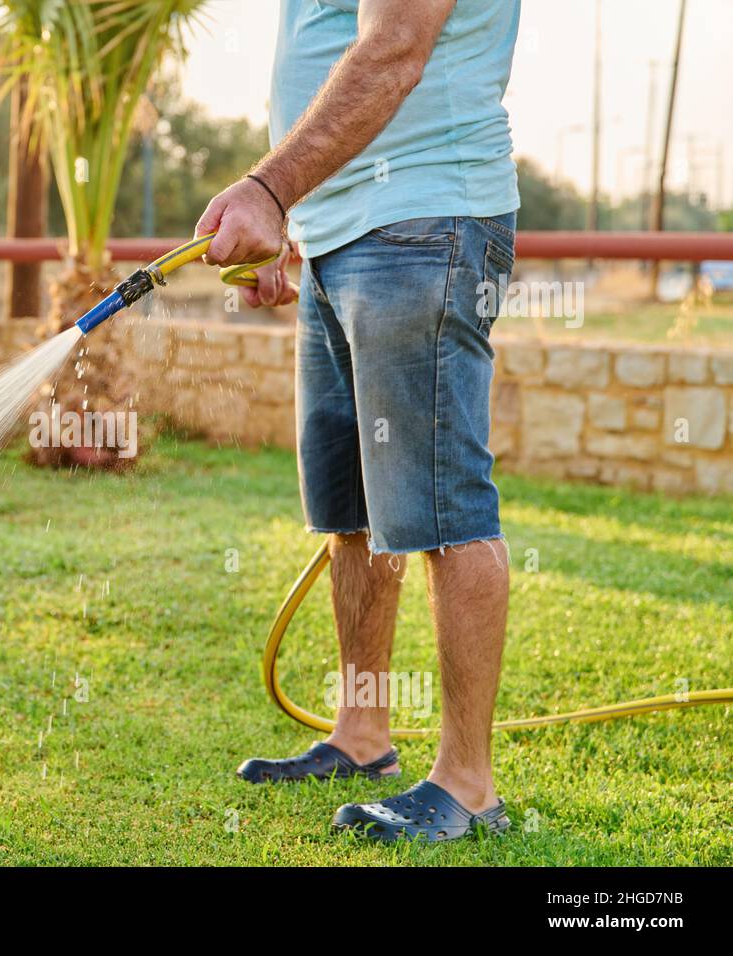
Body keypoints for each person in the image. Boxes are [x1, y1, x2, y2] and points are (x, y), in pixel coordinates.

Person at [197, 0, 521, 842]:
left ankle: (468, 785)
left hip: (424, 222)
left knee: (445, 512)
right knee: (354, 515)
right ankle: (363, 733)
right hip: (339, 234)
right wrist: (293, 223)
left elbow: (394, 48)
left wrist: (269, 189)